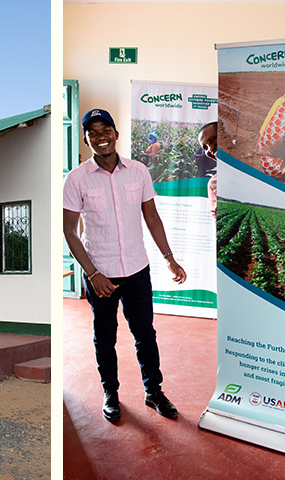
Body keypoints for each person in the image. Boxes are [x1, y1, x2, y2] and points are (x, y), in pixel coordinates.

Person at [63, 108, 188, 422]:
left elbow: (152, 218)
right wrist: (92, 273)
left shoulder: (138, 171)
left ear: (116, 134)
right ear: (86, 139)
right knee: (105, 338)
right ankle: (111, 394)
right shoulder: (76, 179)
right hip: (101, 275)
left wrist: (169, 258)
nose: (101, 137)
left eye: (106, 130)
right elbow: (69, 231)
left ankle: (154, 392)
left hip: (136, 270)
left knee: (145, 333)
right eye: (93, 132)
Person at [197, 121, 219, 223]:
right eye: (205, 147)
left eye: (212, 139)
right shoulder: (214, 183)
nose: (210, 148)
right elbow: (218, 222)